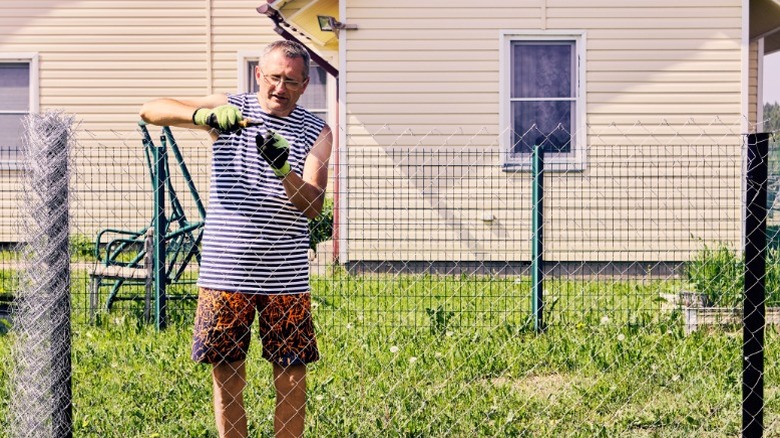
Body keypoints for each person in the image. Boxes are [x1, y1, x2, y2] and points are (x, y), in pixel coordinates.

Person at [139, 39, 332, 438]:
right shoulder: (232, 108)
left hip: (285, 276)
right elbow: (151, 109)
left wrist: (284, 171)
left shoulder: (318, 130)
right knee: (227, 378)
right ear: (258, 75)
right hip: (226, 271)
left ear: (306, 84)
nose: (281, 88)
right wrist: (203, 117)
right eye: (274, 78)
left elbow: (312, 206)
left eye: (292, 81)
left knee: (292, 379)